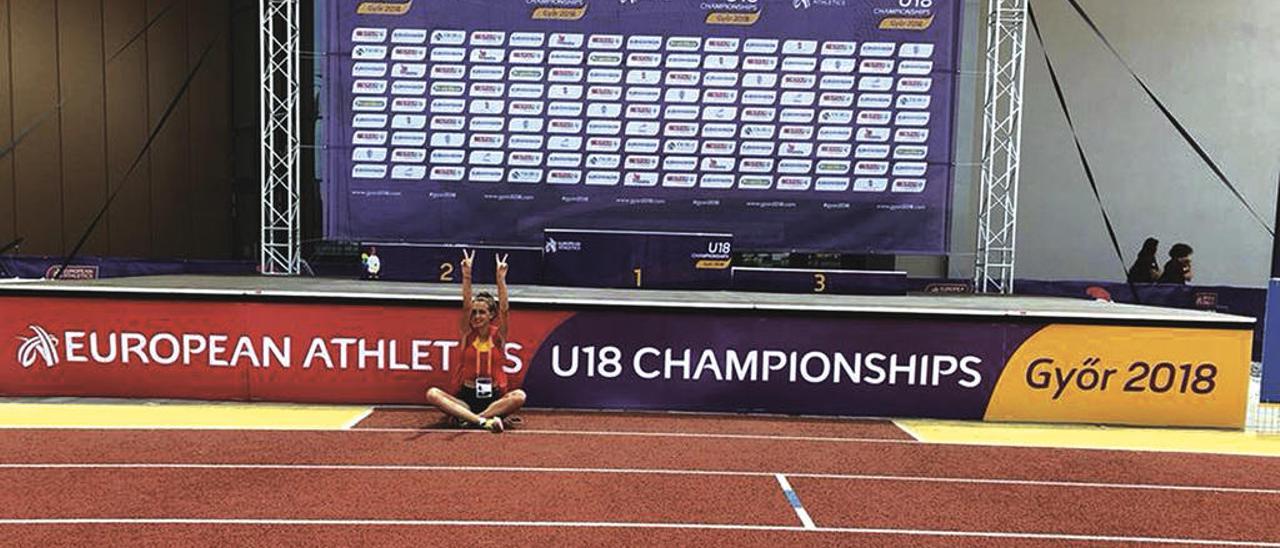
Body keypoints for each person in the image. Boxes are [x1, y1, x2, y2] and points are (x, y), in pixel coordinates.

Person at [424, 250, 526, 433]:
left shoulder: (498, 336)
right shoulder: (467, 335)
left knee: (519, 397)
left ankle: (470, 419)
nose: (476, 316)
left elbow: (505, 310)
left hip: (493, 398)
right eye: (475, 312)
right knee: (432, 394)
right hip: (466, 398)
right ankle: (482, 422)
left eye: (482, 312)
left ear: (491, 315)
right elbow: (465, 306)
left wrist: (501, 279)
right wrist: (466, 276)